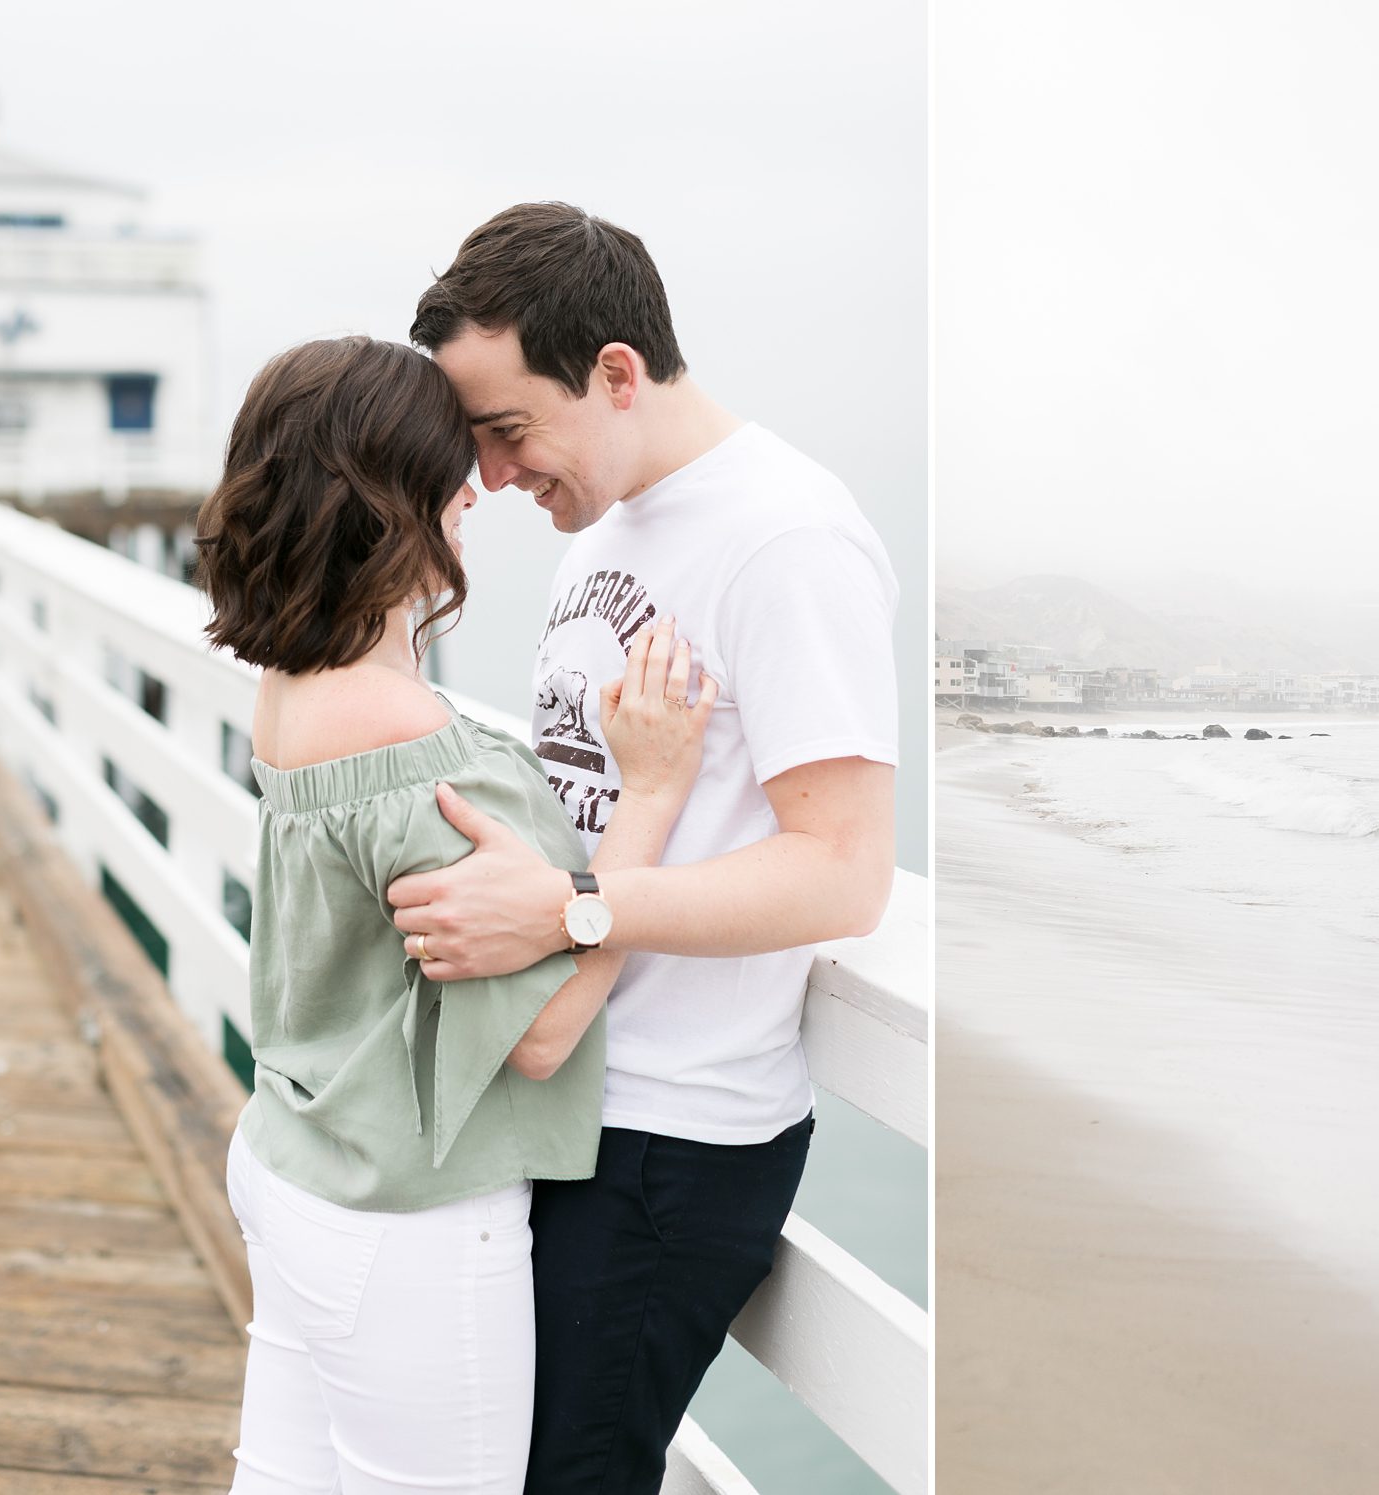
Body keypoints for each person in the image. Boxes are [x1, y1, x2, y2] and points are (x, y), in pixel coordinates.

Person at [388, 203, 900, 1493]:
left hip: (670, 1139)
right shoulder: (604, 526)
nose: (493, 477)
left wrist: (571, 912)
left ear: (616, 371)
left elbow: (843, 868)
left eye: (506, 431)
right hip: (557, 1099)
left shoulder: (785, 537)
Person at [195, 335, 714, 1493]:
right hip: (407, 1219)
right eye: (450, 470)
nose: (476, 491)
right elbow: (535, 1034)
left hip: (294, 1164)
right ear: (387, 501)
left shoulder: (291, 684)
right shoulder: (406, 740)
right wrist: (656, 795)